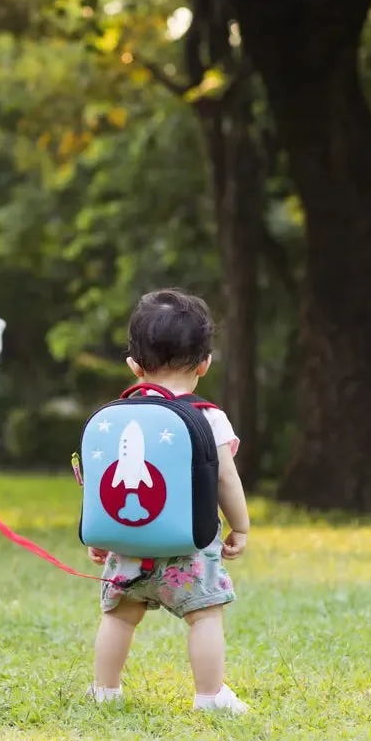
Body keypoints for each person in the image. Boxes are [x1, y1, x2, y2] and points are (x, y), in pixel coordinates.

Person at [86, 290, 251, 715]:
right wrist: (241, 526)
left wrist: (100, 532)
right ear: (205, 363)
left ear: (134, 366)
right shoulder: (209, 417)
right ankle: (210, 696)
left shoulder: (119, 415)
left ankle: (105, 690)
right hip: (189, 550)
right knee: (205, 617)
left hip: (129, 545)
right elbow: (226, 480)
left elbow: (102, 482)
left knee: (119, 617)